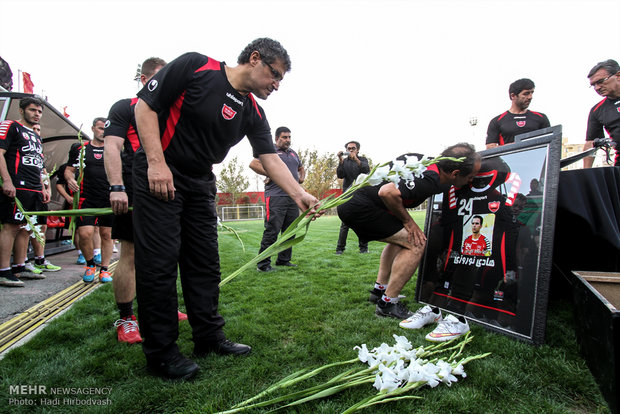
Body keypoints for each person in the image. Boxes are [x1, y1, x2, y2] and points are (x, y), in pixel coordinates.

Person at [132, 38, 320, 380]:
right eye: (275, 75)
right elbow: (145, 106)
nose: (276, 85)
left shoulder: (253, 110)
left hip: (200, 182)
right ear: (254, 59)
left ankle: (208, 337)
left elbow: (268, 157)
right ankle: (161, 354)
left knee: (204, 263)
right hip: (161, 172)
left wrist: (299, 194)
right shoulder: (196, 66)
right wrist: (156, 163)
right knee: (158, 266)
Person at [337, 143, 481, 319]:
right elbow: (387, 192)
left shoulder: (424, 161)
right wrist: (409, 221)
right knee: (416, 241)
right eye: (470, 177)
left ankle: (379, 291)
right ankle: (388, 304)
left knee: (400, 241)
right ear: (455, 174)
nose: (471, 181)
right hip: (361, 207)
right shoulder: (431, 178)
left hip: (355, 201)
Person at [104, 57, 187, 345]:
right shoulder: (125, 107)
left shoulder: (171, 110)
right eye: (161, 78)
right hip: (133, 187)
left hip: (167, 187)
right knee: (131, 253)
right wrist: (117, 186)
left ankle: (165, 306)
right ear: (144, 80)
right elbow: (112, 146)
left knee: (169, 252)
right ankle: (126, 318)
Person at [0, 97, 49, 287]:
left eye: (39, 111)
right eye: (32, 110)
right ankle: (3, 270)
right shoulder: (11, 126)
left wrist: (43, 187)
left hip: (34, 188)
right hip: (16, 185)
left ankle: (20, 266)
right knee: (11, 226)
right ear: (21, 111)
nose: (36, 114)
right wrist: (7, 180)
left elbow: (38, 165)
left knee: (27, 229)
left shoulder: (36, 136)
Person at [65, 118, 113, 283]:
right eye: (100, 128)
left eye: (105, 128)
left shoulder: (114, 148)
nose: (103, 132)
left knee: (107, 234)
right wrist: (70, 179)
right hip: (87, 197)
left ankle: (105, 270)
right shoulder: (80, 148)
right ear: (93, 128)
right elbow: (69, 170)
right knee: (85, 234)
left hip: (108, 198)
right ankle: (90, 264)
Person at [250, 126, 305, 272]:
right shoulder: (270, 151)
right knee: (272, 230)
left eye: (289, 137)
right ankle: (263, 264)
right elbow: (254, 164)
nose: (288, 140)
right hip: (275, 197)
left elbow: (301, 168)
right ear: (276, 139)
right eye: (284, 137)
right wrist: (271, 173)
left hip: (293, 197)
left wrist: (301, 179)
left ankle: (283, 260)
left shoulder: (293, 154)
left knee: (290, 231)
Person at [17, 123, 61, 275]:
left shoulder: (39, 151)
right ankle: (22, 263)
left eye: (38, 130)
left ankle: (40, 260)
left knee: (41, 227)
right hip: (25, 190)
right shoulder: (21, 147)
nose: (36, 133)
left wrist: (47, 189)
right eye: (33, 130)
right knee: (25, 228)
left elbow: (43, 172)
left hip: (39, 193)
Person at [486, 78, 550, 149]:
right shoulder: (497, 121)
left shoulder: (541, 117)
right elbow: (490, 148)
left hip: (536, 159)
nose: (530, 97)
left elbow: (550, 142)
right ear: (513, 96)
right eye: (526, 94)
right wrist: (518, 145)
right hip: (509, 159)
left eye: (532, 93)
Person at [583, 59, 620, 168]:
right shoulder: (597, 110)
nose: (597, 88)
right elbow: (591, 143)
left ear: (618, 76)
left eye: (600, 81)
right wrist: (586, 174)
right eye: (593, 85)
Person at [335, 140, 370, 254]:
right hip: (347, 194)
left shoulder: (363, 160)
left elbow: (366, 171)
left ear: (357, 149)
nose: (350, 150)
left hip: (361, 193)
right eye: (348, 148)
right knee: (345, 223)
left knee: (363, 222)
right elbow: (340, 175)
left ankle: (363, 249)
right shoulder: (344, 162)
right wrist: (340, 160)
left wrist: (356, 159)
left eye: (353, 148)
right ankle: (340, 249)